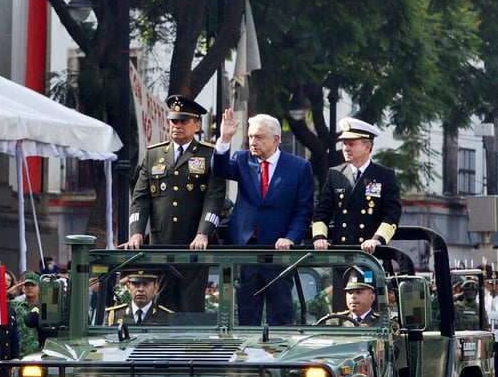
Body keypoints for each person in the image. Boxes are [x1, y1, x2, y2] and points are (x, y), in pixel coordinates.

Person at [212, 108, 314, 325]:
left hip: (279, 252)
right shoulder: (242, 160)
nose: (253, 142)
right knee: (247, 313)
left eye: (258, 137)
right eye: (250, 136)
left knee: (281, 313)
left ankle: (278, 358)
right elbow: (219, 170)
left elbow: (304, 210)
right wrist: (224, 138)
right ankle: (249, 358)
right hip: (246, 249)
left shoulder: (299, 167)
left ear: (276, 139)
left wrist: (291, 238)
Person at [125, 95, 226, 314]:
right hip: (161, 243)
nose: (177, 126)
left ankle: (191, 349)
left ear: (197, 124)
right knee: (161, 306)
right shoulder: (154, 155)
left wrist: (203, 234)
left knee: (190, 307)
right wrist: (136, 233)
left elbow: (214, 199)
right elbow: (140, 198)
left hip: (193, 245)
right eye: (174, 121)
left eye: (184, 122)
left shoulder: (208, 155)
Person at [312, 117, 401, 253]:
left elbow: (391, 215)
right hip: (341, 253)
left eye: (351, 144)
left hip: (371, 253)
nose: (346, 149)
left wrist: (377, 239)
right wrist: (319, 237)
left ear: (367, 147)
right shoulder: (335, 174)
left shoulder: (384, 176)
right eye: (344, 144)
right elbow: (322, 212)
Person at [106, 270, 174, 325]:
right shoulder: (114, 316)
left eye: (146, 284)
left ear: (156, 288)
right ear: (128, 287)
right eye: (135, 284)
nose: (140, 289)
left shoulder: (167, 317)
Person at [11, 272, 41, 356]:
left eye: (33, 285)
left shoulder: (44, 307)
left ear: (39, 287)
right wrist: (8, 293)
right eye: (27, 285)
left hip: (38, 354)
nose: (29, 288)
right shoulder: (15, 305)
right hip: (18, 354)